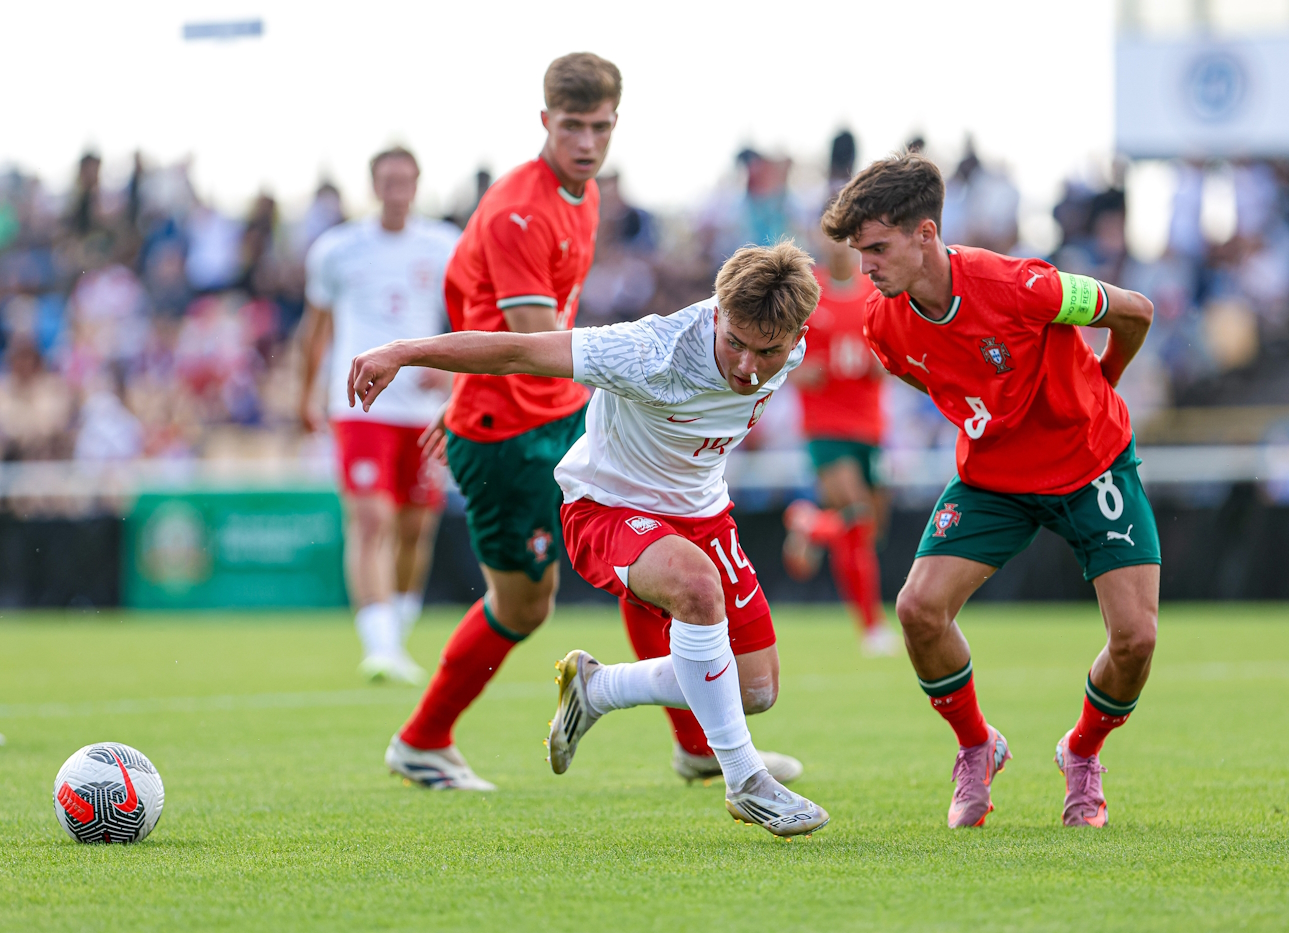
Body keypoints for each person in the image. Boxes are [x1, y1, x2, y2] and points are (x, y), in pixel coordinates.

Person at [348, 242, 829, 838]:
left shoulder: (790, 335)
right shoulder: (650, 350)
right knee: (696, 587)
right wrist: (402, 351)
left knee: (755, 690)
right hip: (607, 507)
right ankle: (746, 781)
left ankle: (599, 689)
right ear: (717, 314)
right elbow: (518, 350)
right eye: (735, 343)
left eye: (769, 352)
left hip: (705, 514)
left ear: (798, 335)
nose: (749, 368)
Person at [821, 153, 1158, 829]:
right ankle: (977, 745)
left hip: (1091, 464)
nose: (866, 268)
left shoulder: (1023, 286)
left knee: (1135, 640)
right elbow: (932, 376)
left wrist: (1103, 381)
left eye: (877, 249)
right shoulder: (882, 324)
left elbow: (1136, 312)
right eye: (859, 253)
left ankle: (1081, 752)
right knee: (918, 610)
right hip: (994, 478)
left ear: (925, 234)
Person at [300, 146, 460, 684]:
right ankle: (380, 646)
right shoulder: (337, 249)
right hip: (360, 405)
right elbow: (315, 328)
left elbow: (469, 315)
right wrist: (305, 393)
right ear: (373, 185)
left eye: (405, 180)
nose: (397, 190)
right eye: (388, 180)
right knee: (372, 520)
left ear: (417, 184)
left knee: (416, 527)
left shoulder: (444, 244)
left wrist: (453, 374)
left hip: (422, 409)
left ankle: (396, 634)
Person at [782, 240, 897, 656]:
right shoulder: (809, 293)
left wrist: (887, 362)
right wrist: (794, 369)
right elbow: (778, 346)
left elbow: (892, 349)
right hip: (825, 425)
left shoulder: (876, 292)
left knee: (869, 531)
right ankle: (872, 627)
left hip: (870, 425)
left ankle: (810, 523)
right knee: (857, 514)